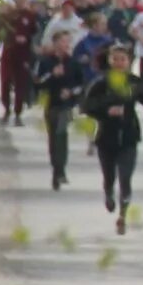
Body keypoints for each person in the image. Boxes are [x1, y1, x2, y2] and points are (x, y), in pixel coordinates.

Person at [80, 43, 143, 234]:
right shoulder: (100, 82)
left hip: (129, 135)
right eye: (116, 59)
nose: (119, 63)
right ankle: (108, 193)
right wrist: (106, 110)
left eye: (123, 59)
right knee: (109, 176)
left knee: (126, 178)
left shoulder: (134, 81)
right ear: (110, 61)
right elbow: (86, 106)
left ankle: (123, 215)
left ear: (129, 61)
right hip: (106, 136)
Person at [35, 31, 89, 190]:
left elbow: (81, 85)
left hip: (66, 106)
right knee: (53, 137)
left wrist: (71, 92)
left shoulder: (73, 62)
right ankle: (56, 169)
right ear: (56, 43)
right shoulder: (45, 62)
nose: (66, 45)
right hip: (51, 103)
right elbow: (38, 83)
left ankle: (61, 170)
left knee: (61, 134)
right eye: (64, 41)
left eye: (68, 42)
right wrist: (52, 75)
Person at [0, 0, 38, 126]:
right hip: (8, 53)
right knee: (5, 81)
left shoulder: (29, 16)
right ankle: (6, 109)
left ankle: (18, 112)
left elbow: (34, 32)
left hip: (23, 54)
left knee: (20, 84)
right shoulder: (5, 18)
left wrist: (28, 42)